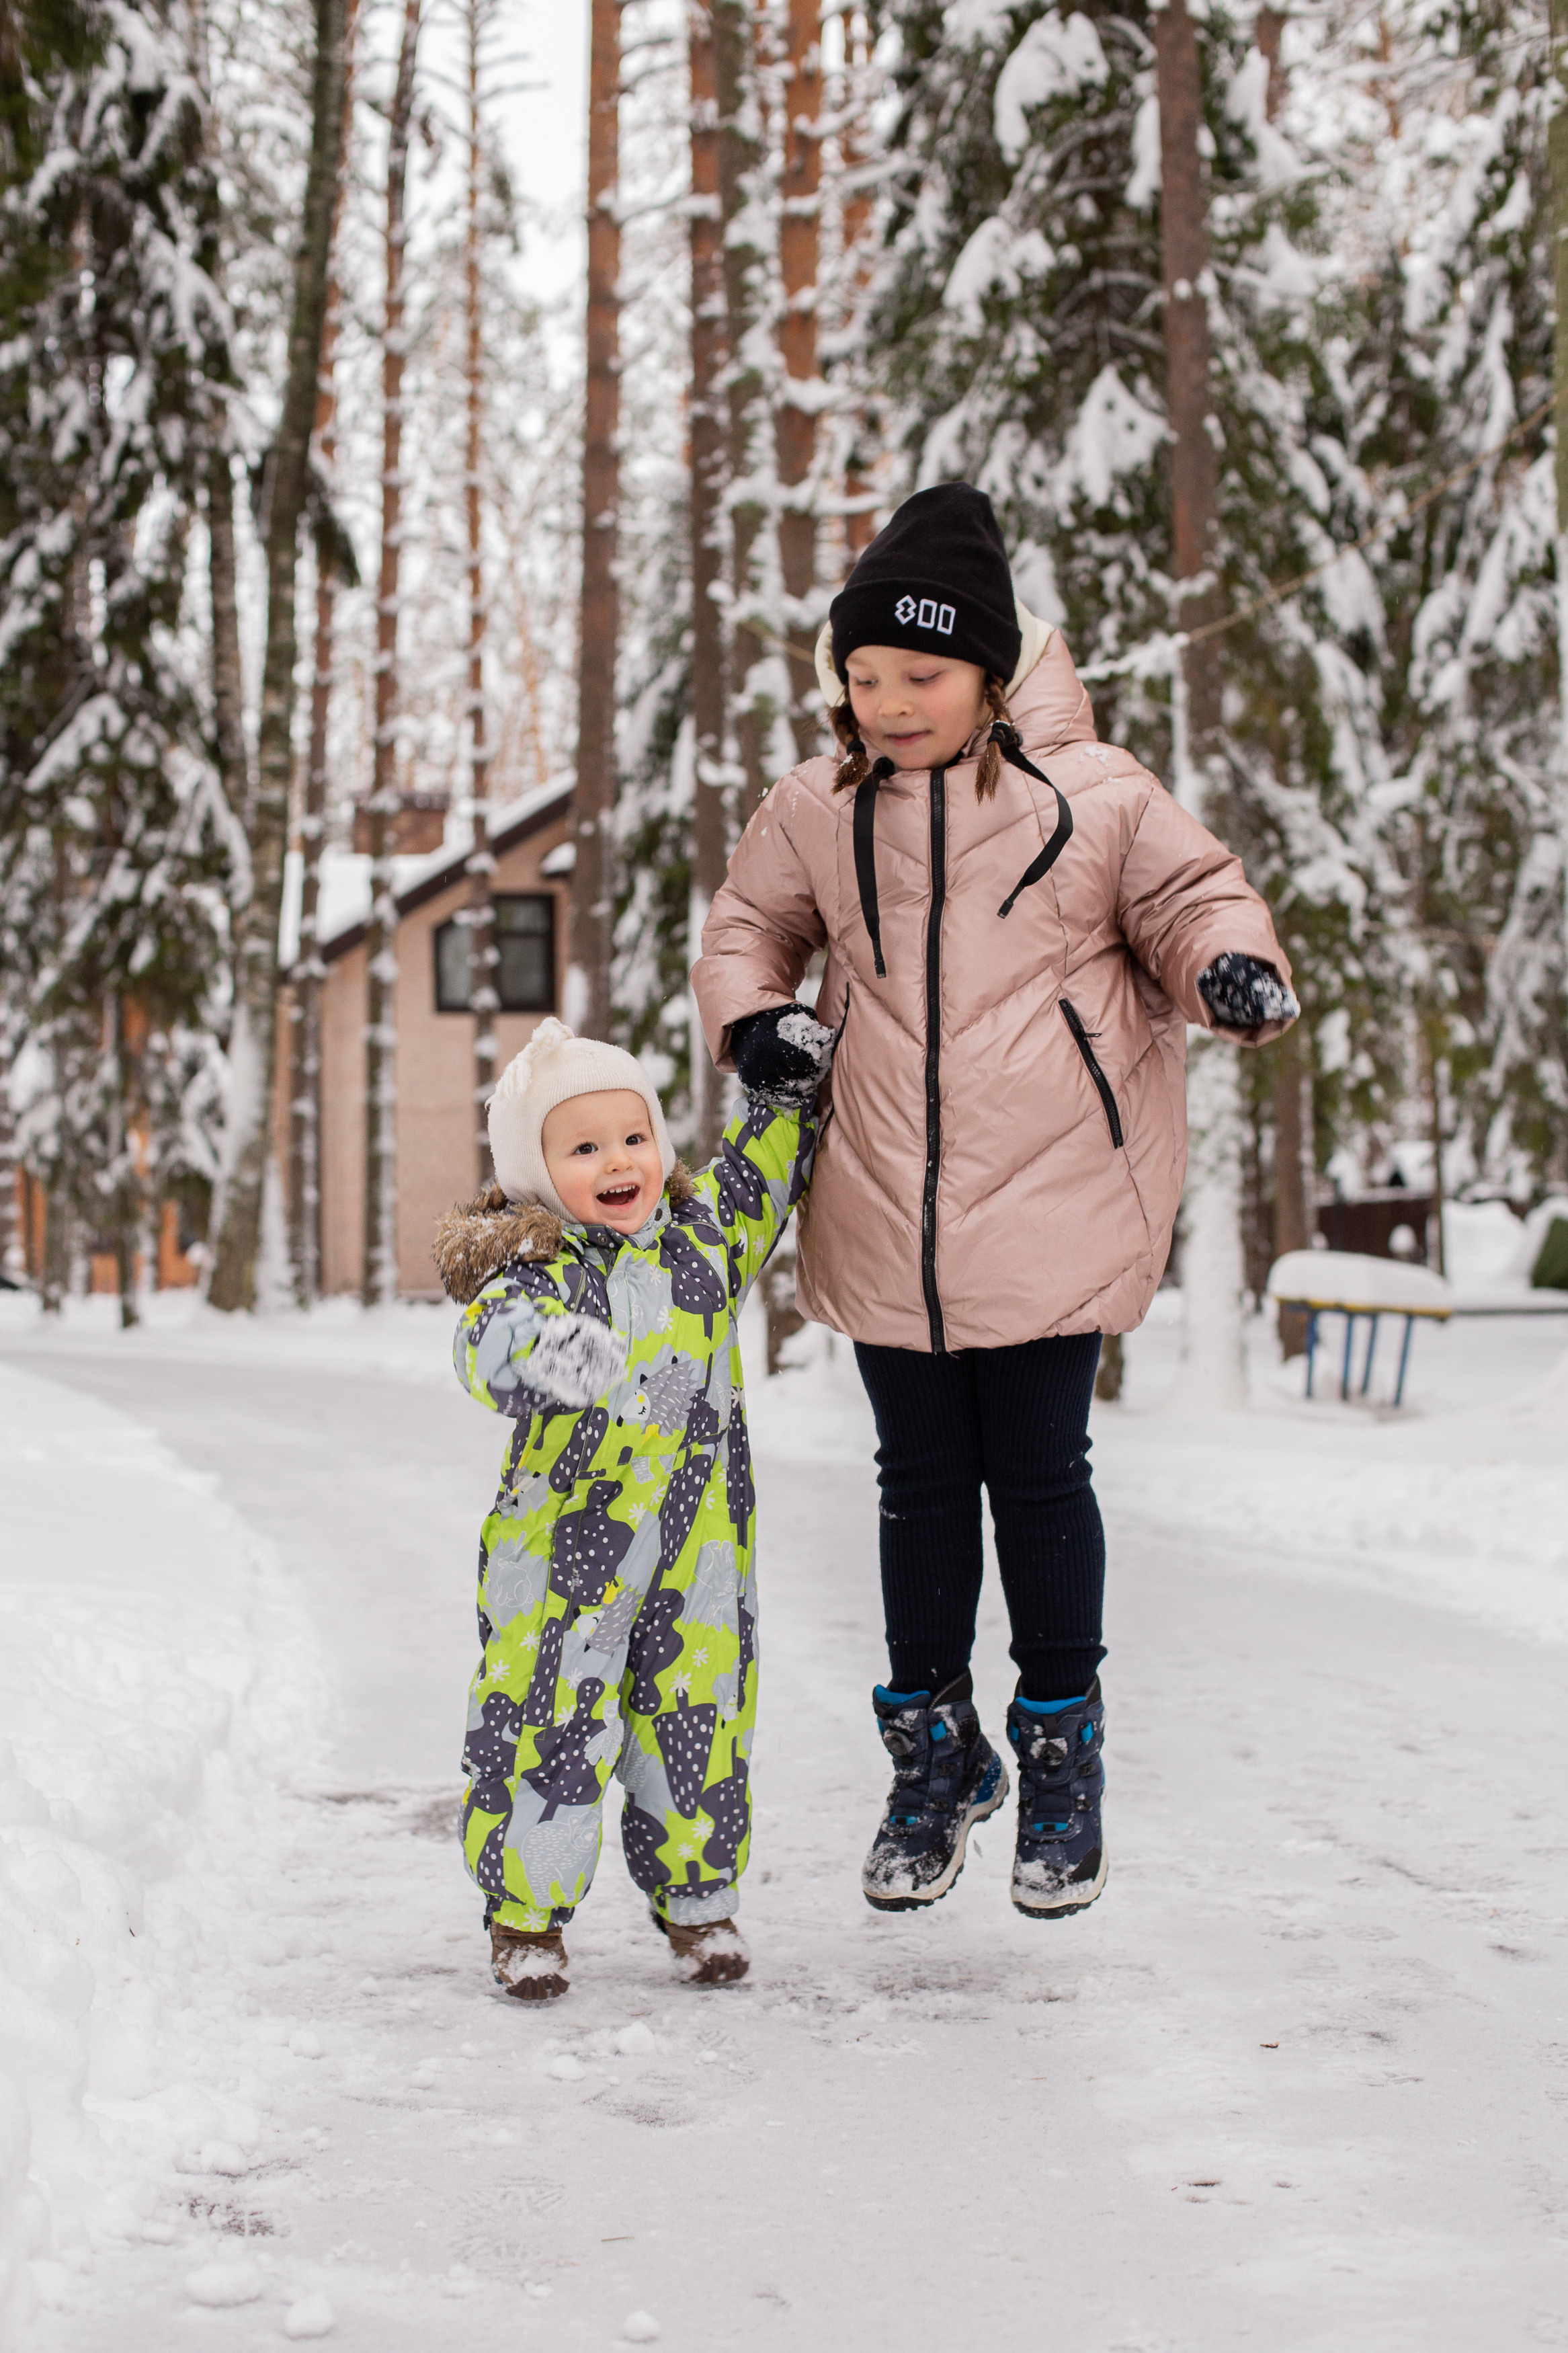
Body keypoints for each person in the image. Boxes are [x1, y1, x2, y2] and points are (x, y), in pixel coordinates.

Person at [692, 482, 1297, 1923]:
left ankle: (1062, 1751)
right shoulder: (820, 807)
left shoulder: (1097, 795)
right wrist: (753, 1018)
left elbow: (1193, 894)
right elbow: (745, 928)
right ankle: (933, 1755)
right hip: (888, 1195)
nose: (886, 700)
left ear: (990, 670)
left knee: (1036, 1475)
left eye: (919, 672)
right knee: (913, 1484)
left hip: (1055, 1191)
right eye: (863, 673)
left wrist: (1227, 966)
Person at [434, 1012, 831, 2001]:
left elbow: (757, 1180)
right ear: (536, 1172)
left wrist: (779, 1098)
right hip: (562, 1563)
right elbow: (487, 1341)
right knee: (545, 1721)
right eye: (584, 1147)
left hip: (698, 1554)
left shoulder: (702, 1242)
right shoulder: (539, 1271)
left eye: (633, 1137)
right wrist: (547, 1353)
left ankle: (700, 1903)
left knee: (697, 1717)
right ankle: (525, 1918)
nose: (619, 1161)